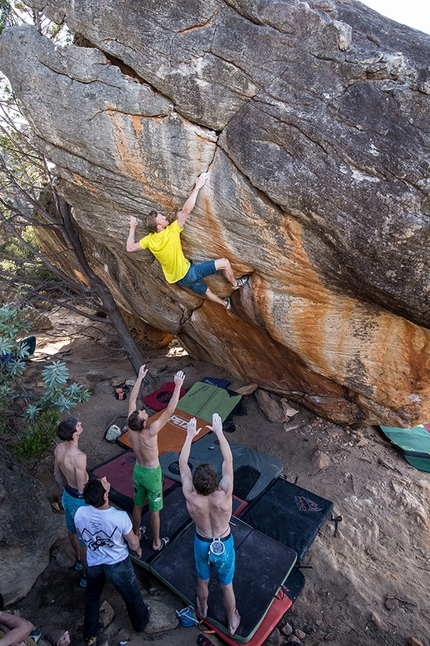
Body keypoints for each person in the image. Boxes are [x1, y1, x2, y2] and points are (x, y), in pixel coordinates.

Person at [126, 172, 249, 309]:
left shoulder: (149, 240)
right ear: (159, 226)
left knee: (206, 290)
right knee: (224, 263)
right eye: (162, 218)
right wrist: (198, 187)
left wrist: (132, 227)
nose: (165, 217)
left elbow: (130, 248)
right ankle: (235, 284)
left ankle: (225, 304)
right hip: (189, 273)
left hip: (177, 280)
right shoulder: (172, 231)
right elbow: (186, 211)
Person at [179, 413, 241, 636]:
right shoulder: (224, 493)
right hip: (223, 543)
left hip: (202, 543)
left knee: (202, 580)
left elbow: (182, 463)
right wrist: (219, 432)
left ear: (194, 483)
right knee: (227, 585)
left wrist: (189, 436)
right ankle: (232, 620)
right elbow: (228, 461)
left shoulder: (190, 495)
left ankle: (202, 609)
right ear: (215, 481)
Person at [74, 477, 149, 646]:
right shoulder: (119, 517)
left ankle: (90, 635)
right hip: (117, 563)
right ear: (106, 496)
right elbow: (132, 541)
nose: (105, 479)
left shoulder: (79, 513)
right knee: (132, 594)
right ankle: (140, 623)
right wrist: (137, 550)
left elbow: (83, 537)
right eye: (103, 483)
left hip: (94, 561)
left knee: (92, 597)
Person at [127, 365, 185, 550]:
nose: (143, 410)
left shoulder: (131, 428)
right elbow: (170, 411)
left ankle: (136, 533)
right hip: (152, 474)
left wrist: (140, 377)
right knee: (155, 510)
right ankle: (156, 542)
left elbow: (132, 399)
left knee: (137, 505)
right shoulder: (150, 432)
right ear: (144, 422)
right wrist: (177, 386)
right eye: (143, 413)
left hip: (138, 471)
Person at [54, 416, 88, 587]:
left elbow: (57, 474)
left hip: (67, 495)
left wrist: (65, 490)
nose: (81, 424)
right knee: (85, 541)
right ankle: (86, 576)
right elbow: (83, 489)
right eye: (79, 425)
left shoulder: (59, 449)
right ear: (74, 434)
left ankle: (79, 561)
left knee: (71, 531)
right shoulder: (79, 457)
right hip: (79, 501)